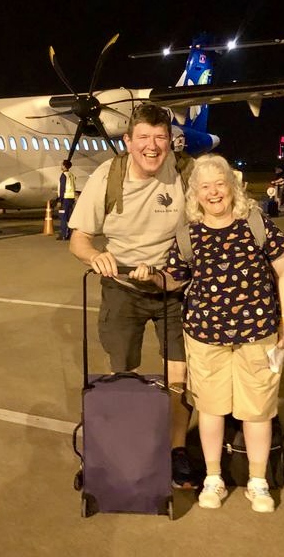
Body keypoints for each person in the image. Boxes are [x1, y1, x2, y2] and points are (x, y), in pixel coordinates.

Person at [133, 154, 284, 513]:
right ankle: (213, 478)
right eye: (205, 186)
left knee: (257, 411)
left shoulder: (254, 224)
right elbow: (175, 277)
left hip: (257, 333)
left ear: (231, 186)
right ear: (195, 193)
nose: (214, 192)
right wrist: (154, 276)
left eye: (220, 184)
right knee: (211, 409)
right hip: (205, 336)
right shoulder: (189, 234)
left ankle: (257, 481)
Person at [68, 102, 195, 487]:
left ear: (171, 142)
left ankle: (175, 452)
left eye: (161, 138)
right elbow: (79, 239)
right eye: (143, 138)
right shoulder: (109, 176)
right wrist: (97, 256)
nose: (152, 147)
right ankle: (122, 451)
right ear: (128, 141)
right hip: (123, 288)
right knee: (123, 375)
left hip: (173, 287)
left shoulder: (187, 173)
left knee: (179, 377)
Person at [56, 159, 77, 240]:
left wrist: (59, 200)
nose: (61, 166)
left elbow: (62, 189)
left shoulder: (63, 175)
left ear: (64, 166)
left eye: (62, 165)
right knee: (69, 217)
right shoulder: (71, 175)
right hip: (71, 199)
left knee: (63, 217)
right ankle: (70, 234)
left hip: (64, 199)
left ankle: (64, 234)